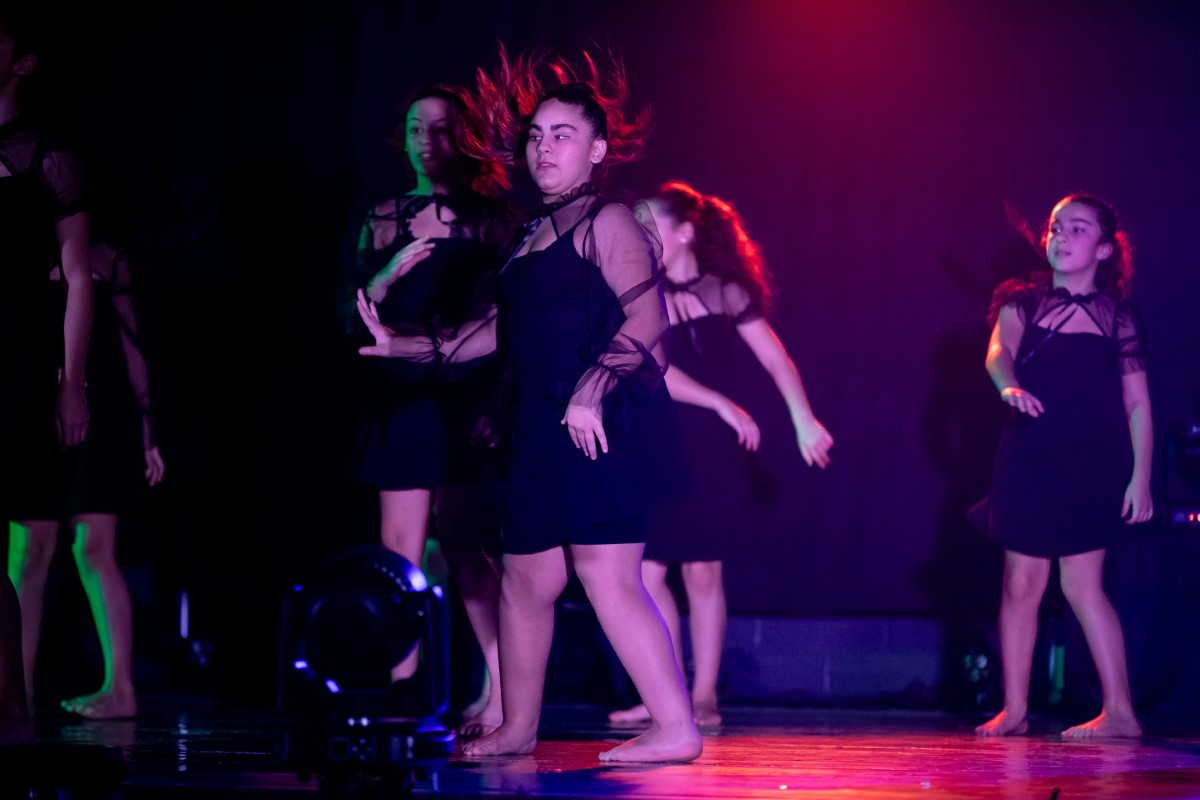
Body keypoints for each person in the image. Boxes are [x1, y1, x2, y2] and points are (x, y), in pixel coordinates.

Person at [357, 48, 703, 763]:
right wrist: (400, 344)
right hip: (543, 429)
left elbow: (647, 320)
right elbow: (492, 333)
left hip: (599, 424)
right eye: (537, 135)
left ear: (597, 151)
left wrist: (591, 390)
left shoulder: (608, 220)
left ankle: (677, 728)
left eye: (563, 135)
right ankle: (517, 727)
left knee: (607, 574)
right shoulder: (528, 235)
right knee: (525, 580)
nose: (544, 147)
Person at [607, 180, 834, 728]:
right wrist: (722, 404)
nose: (641, 235)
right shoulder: (639, 294)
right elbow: (652, 368)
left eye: (651, 224)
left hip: (709, 447)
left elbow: (777, 360)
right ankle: (664, 694)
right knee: (645, 571)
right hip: (656, 437)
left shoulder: (726, 291)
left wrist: (803, 418)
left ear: (684, 232)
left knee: (704, 571)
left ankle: (704, 694)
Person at [334, 84, 517, 737]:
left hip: (463, 391)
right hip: (400, 391)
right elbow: (348, 312)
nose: (426, 142)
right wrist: (392, 266)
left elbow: (508, 319)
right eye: (416, 128)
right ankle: (402, 690)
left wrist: (499, 399)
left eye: (440, 129)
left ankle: (504, 691)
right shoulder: (376, 213)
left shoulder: (490, 217)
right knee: (399, 548)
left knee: (465, 542)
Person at [975, 194, 1151, 739]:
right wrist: (1008, 386)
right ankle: (1015, 709)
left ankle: (1121, 712)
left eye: (1077, 228)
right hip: (1029, 453)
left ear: (1104, 249)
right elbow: (998, 352)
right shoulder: (1022, 300)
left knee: (1082, 586)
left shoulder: (1118, 317)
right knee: (1020, 584)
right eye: (1056, 227)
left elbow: (1137, 403)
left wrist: (1141, 477)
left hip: (1092, 462)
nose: (1061, 236)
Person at [6, 197, 166, 720]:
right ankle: (17, 693)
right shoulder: (21, 249)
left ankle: (120, 687)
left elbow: (131, 343)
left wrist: (147, 429)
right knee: (28, 549)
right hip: (35, 403)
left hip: (104, 410)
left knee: (94, 548)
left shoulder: (106, 256)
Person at [0, 9, 93, 717]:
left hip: (17, 357)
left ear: (22, 63)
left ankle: (15, 698)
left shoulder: (46, 155)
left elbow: (79, 274)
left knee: (23, 538)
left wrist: (72, 381)